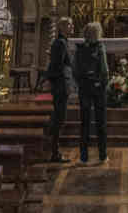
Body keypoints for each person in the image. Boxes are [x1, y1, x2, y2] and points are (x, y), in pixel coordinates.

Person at [73, 21, 109, 166]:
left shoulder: (79, 48)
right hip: (98, 89)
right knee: (101, 123)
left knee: (85, 123)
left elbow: (75, 70)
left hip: (84, 89)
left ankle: (83, 157)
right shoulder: (100, 48)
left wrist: (82, 83)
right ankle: (102, 155)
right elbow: (105, 70)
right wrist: (101, 84)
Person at [46, 16, 74, 163]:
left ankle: (52, 149)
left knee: (59, 117)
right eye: (69, 25)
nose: (72, 27)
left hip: (62, 84)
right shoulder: (61, 43)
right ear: (62, 27)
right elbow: (57, 65)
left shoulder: (61, 42)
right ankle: (54, 152)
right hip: (62, 85)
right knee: (59, 118)